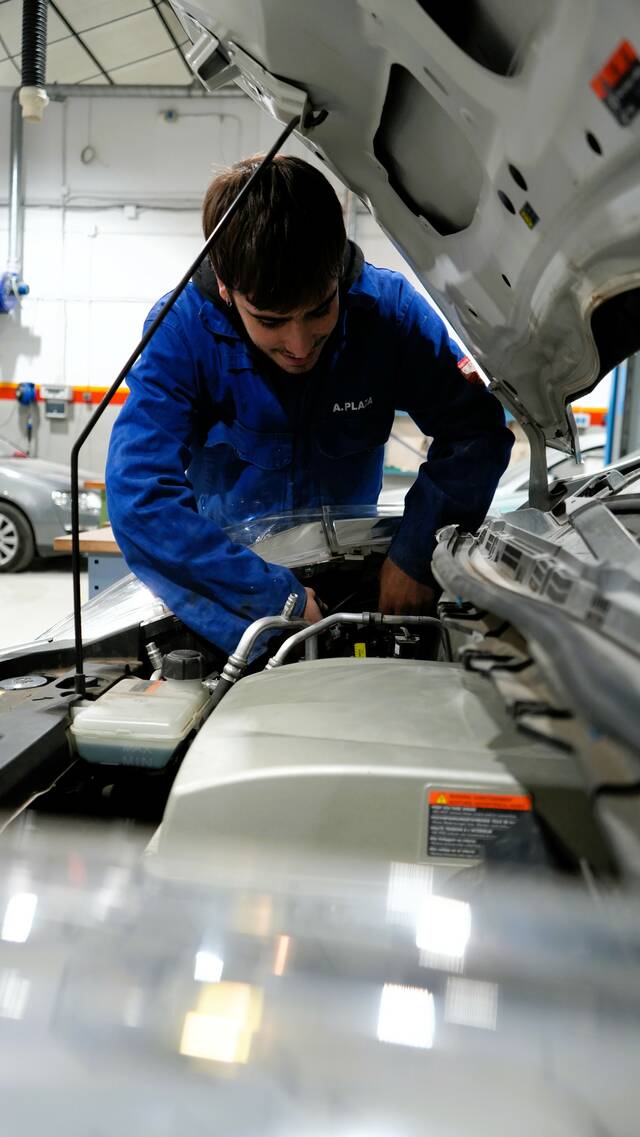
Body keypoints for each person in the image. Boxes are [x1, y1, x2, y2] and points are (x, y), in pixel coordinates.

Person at [106, 155, 513, 654]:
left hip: (360, 581)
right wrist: (273, 600)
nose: (299, 345)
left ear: (338, 272)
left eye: (320, 310)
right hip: (232, 595)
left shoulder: (390, 315)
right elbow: (140, 498)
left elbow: (476, 433)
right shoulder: (181, 332)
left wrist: (415, 552)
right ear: (228, 291)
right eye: (271, 321)